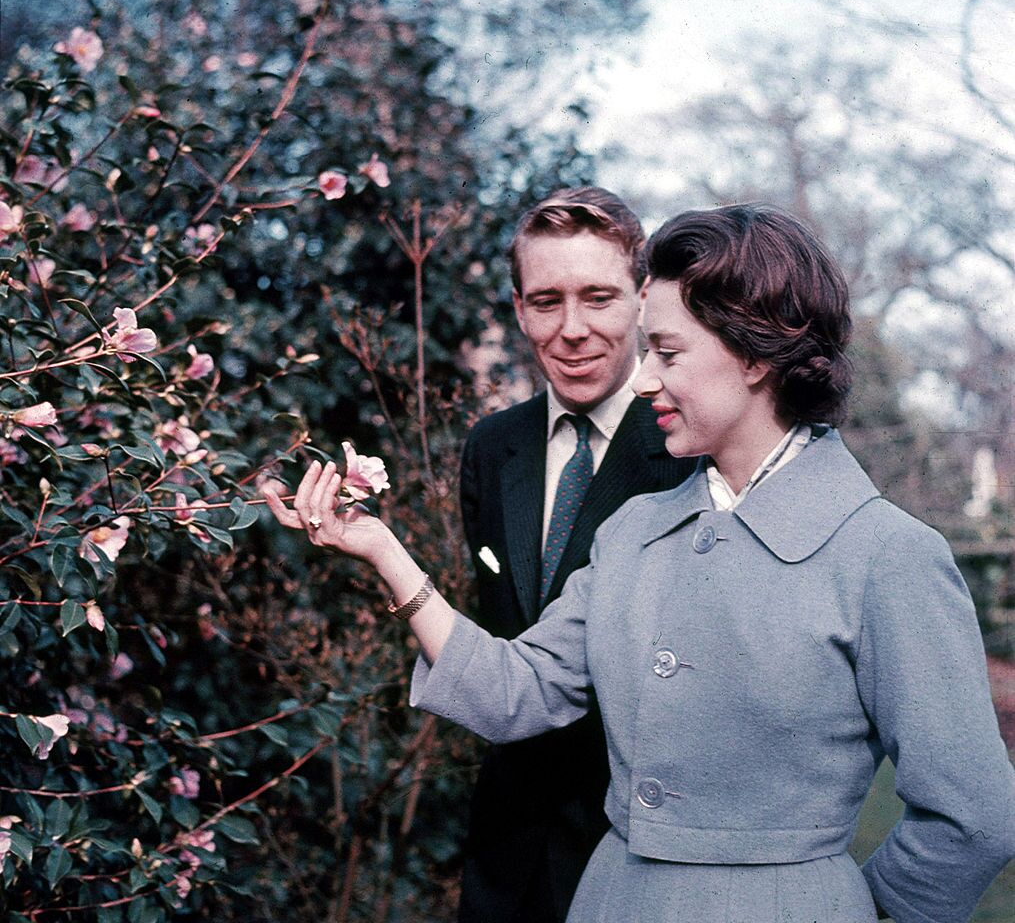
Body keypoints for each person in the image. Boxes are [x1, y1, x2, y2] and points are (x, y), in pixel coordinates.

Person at [263, 203, 1015, 923]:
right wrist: (380, 547)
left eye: (668, 351)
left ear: (755, 355)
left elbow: (971, 816)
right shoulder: (632, 532)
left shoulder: (888, 557)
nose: (645, 379)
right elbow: (511, 692)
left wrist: (841, 904)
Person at [456, 187, 695, 922]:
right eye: (545, 300)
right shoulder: (491, 448)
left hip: (640, 856)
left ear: (641, 299)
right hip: (504, 862)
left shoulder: (693, 447)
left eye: (597, 297)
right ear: (519, 309)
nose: (571, 330)